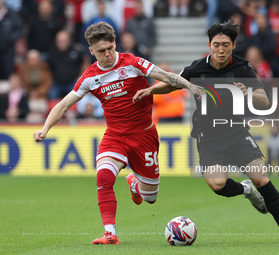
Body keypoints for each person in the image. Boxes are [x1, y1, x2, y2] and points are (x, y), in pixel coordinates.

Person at [33, 21, 203, 245]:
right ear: (91, 51)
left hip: (144, 136)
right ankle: (110, 233)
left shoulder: (131, 63)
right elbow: (63, 105)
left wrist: (190, 86)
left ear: (115, 43)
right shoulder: (90, 77)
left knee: (150, 198)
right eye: (101, 51)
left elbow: (165, 75)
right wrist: (45, 128)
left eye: (110, 48)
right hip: (115, 136)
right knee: (103, 177)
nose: (107, 54)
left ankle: (134, 183)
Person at [133, 20, 279, 244]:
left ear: (233, 45)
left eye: (226, 45)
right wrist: (150, 90)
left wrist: (247, 92)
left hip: (237, 132)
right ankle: (245, 190)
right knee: (217, 184)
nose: (221, 50)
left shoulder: (243, 68)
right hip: (208, 136)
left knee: (261, 178)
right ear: (209, 44)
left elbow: (264, 100)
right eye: (217, 45)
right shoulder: (197, 67)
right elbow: (173, 83)